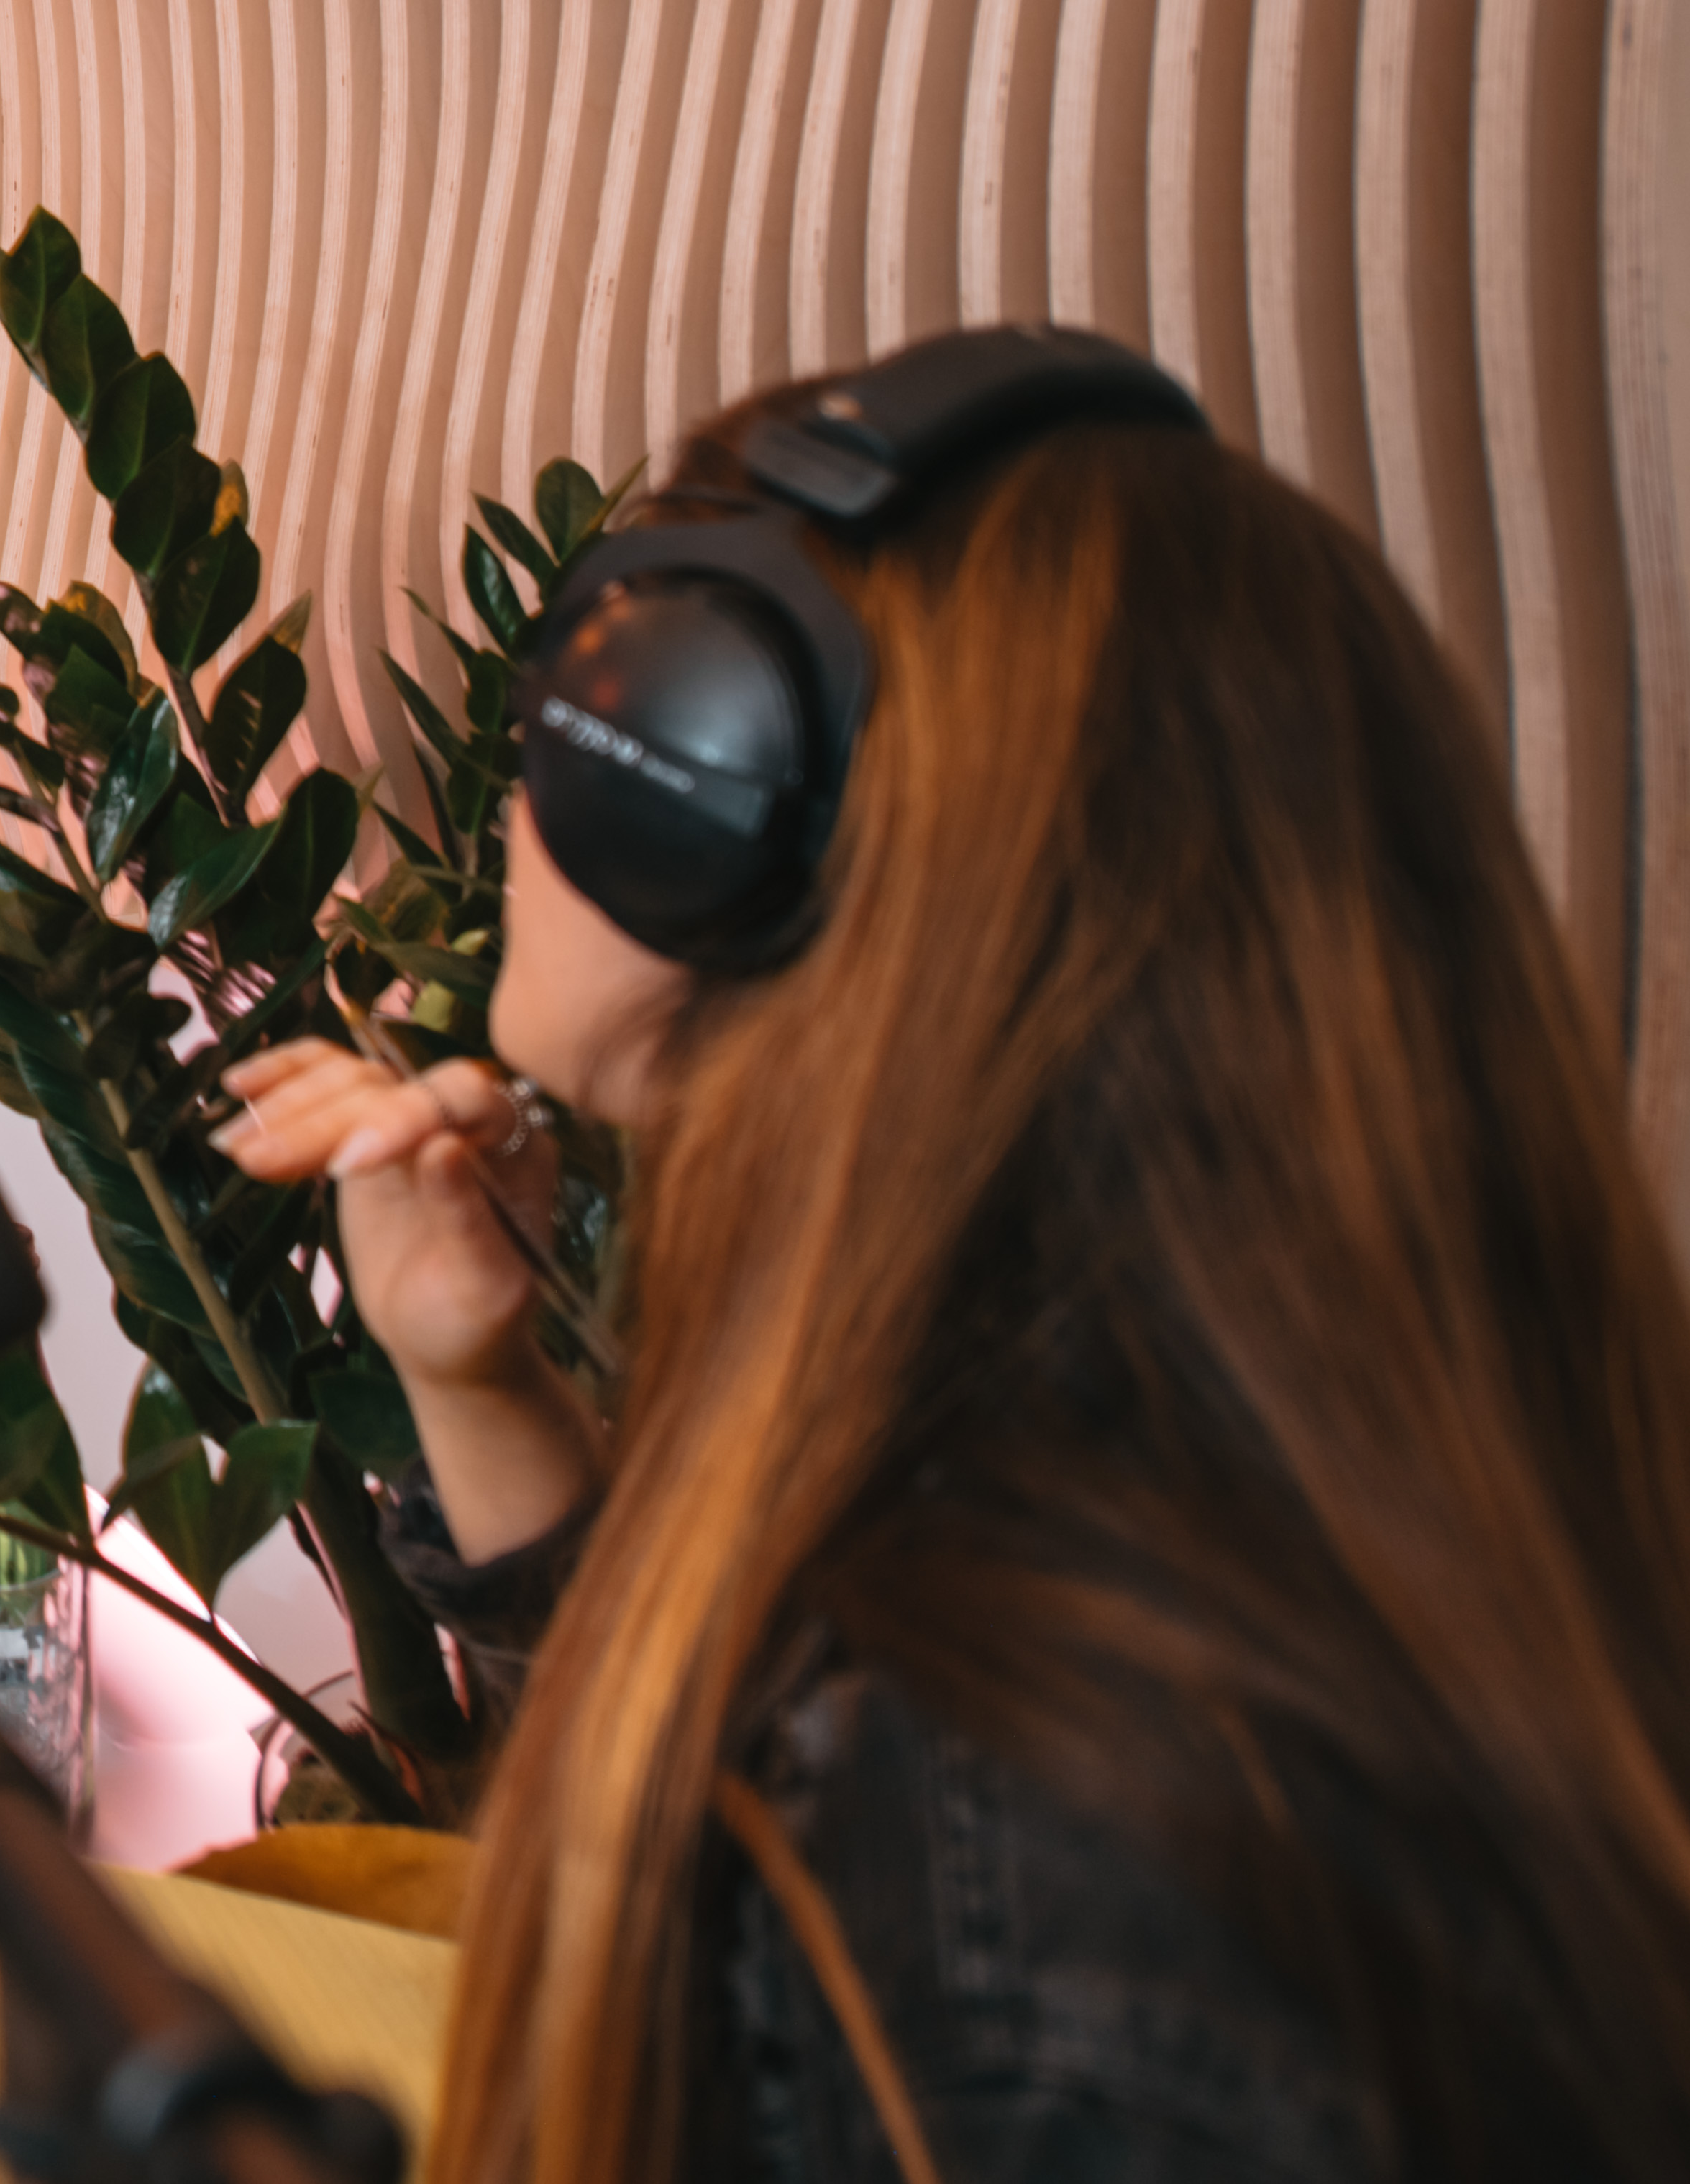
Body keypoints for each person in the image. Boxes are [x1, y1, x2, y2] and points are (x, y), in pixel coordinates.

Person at [217, 333, 1690, 2179]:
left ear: (709, 798)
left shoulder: (1042, 1883)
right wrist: (474, 1379)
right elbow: (720, 1834)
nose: (515, 789)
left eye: (586, 701)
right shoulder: (1136, 1535)